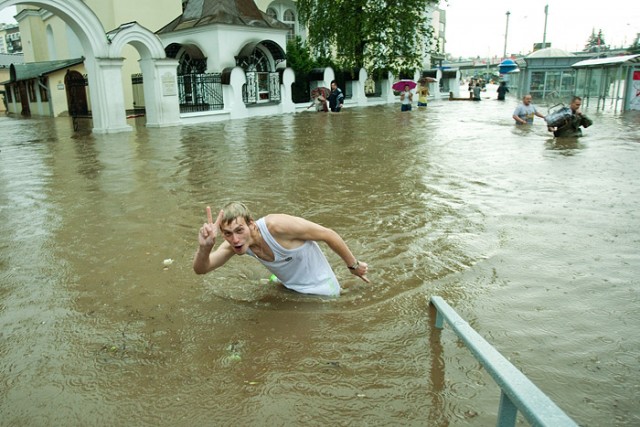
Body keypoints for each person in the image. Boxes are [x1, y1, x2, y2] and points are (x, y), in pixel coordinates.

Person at [193, 202, 369, 297]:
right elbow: (202, 269)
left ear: (251, 225)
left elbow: (328, 234)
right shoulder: (236, 244)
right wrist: (204, 247)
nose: (235, 239)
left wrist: (353, 266)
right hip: (290, 286)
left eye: (239, 230)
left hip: (321, 291)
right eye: (228, 234)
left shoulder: (276, 226)